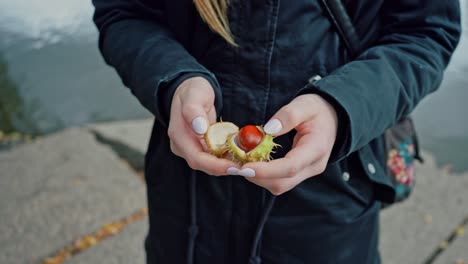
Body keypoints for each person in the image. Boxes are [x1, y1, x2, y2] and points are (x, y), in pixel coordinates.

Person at [92, 0, 461, 263]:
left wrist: (340, 107)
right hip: (185, 204)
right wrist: (175, 80)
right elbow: (125, 13)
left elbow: (425, 33)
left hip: (328, 208)